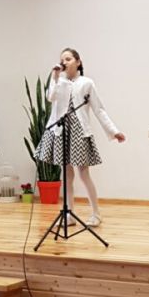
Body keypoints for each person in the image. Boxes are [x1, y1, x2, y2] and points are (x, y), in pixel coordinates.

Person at [35, 48, 125, 227]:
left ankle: (96, 214)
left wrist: (114, 131)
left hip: (79, 131)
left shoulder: (87, 83)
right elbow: (50, 97)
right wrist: (54, 77)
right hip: (60, 131)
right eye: (62, 59)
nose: (64, 62)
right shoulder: (58, 81)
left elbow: (99, 109)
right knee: (67, 175)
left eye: (68, 59)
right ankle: (69, 215)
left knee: (84, 174)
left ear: (78, 62)